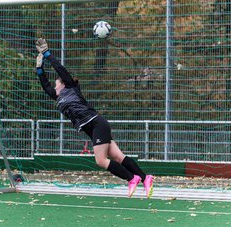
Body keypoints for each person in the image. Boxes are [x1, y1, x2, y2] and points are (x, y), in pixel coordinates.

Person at [35, 38, 154, 198]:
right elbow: (45, 85)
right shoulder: (57, 97)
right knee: (119, 157)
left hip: (96, 123)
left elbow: (60, 69)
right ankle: (146, 179)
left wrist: (47, 54)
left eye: (56, 83)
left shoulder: (70, 87)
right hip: (92, 128)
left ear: (62, 83)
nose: (54, 86)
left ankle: (132, 178)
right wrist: (39, 68)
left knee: (100, 160)